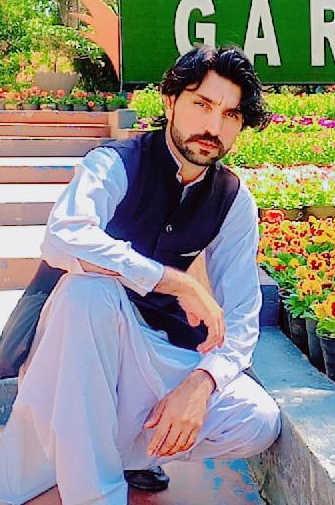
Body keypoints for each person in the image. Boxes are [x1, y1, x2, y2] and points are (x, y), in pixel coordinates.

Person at [0, 44, 281, 504]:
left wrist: (201, 384)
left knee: (256, 420)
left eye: (230, 115)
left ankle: (118, 454)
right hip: (75, 353)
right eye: (202, 105)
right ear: (170, 102)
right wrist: (174, 281)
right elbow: (64, 236)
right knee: (89, 293)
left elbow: (243, 318)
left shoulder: (232, 200)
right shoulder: (115, 163)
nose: (213, 127)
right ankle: (96, 494)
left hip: (154, 354)